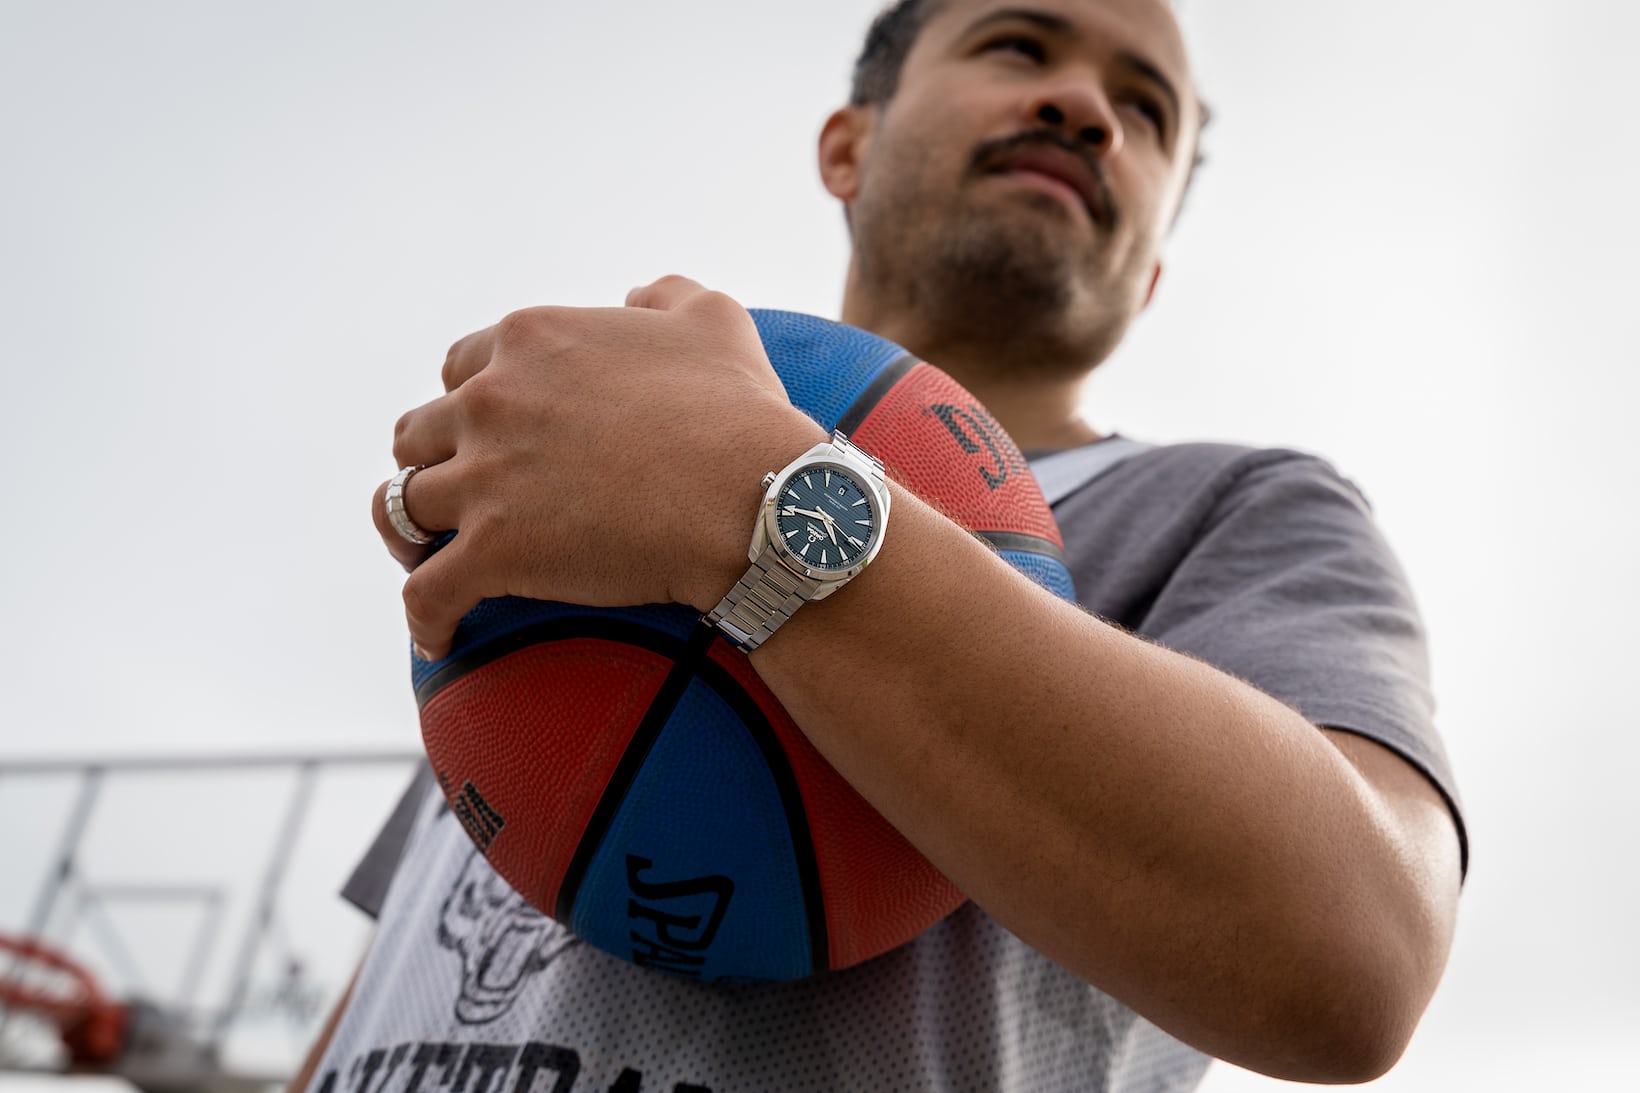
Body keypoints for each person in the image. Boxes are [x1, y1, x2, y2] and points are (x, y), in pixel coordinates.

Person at [305, 0, 1467, 1089]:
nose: (1084, 108)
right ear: (845, 149)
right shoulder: (599, 464)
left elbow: (1354, 954)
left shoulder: (1231, 507)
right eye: (1017, 45)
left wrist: (749, 497)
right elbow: (386, 986)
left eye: (1143, 108)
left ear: (1149, 271)